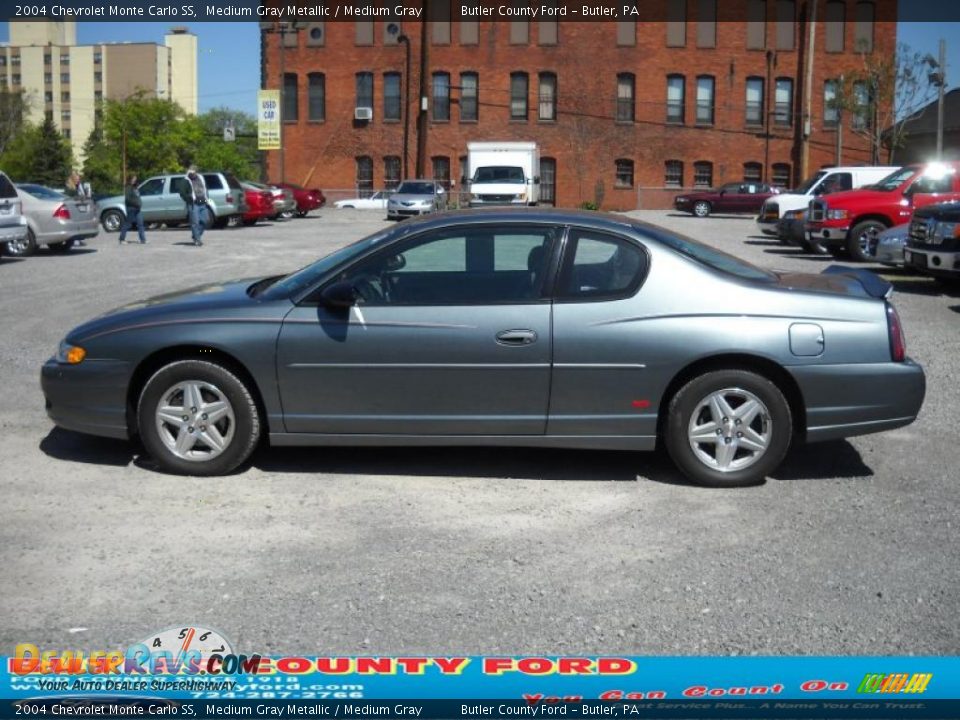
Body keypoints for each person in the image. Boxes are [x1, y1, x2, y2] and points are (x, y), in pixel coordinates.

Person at [180, 166, 208, 247]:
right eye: (191, 172)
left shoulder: (201, 177)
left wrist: (207, 199)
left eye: (194, 172)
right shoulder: (185, 181)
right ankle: (197, 239)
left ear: (196, 172)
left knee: (205, 221)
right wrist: (189, 198)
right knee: (195, 222)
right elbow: (182, 193)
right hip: (193, 203)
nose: (192, 174)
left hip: (202, 201)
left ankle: (196, 235)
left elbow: (205, 189)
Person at [118, 174, 147, 245]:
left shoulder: (135, 187)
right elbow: (128, 199)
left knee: (140, 224)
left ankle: (143, 240)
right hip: (131, 208)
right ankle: (122, 239)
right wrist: (136, 203)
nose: (134, 180)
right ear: (130, 179)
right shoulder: (128, 187)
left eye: (135, 179)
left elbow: (137, 197)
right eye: (133, 179)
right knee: (128, 224)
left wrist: (139, 203)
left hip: (137, 208)